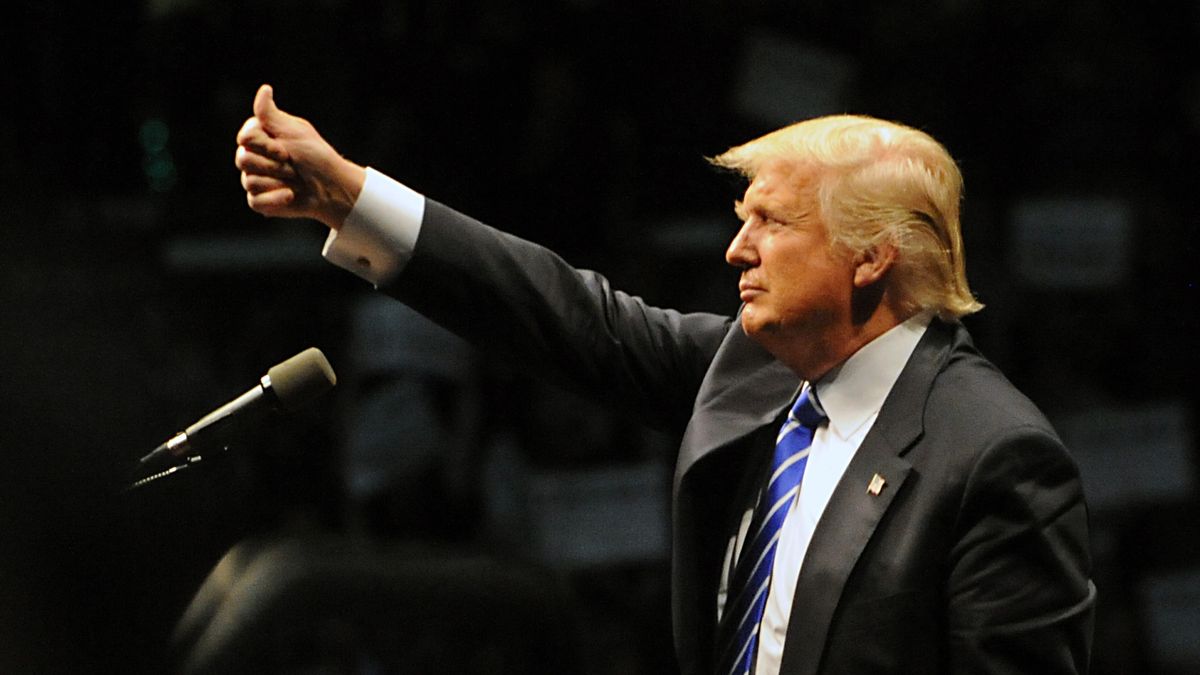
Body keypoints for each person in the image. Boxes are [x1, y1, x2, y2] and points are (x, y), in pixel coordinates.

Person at [235, 84, 1095, 674]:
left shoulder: (994, 455)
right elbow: (563, 313)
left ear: (871, 256)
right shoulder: (754, 376)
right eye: (739, 218)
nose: (737, 248)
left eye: (771, 221)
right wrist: (351, 197)